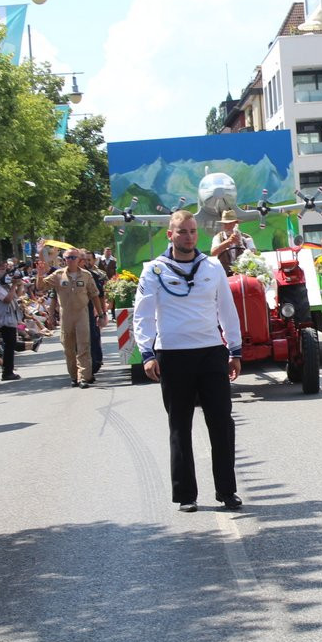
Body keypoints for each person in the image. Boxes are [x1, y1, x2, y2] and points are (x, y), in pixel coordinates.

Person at [134, 210, 244, 513]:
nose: (189, 236)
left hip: (210, 352)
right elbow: (142, 314)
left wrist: (234, 349)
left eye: (193, 231)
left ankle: (227, 491)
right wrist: (147, 353)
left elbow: (227, 309)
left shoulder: (211, 267)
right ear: (170, 234)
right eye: (182, 231)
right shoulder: (154, 271)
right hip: (173, 354)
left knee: (222, 423)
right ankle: (185, 494)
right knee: (180, 425)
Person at [36, 250, 106, 388]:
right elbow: (41, 287)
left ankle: (84, 377)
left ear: (79, 259)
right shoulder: (58, 275)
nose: (70, 260)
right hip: (66, 316)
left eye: (73, 257)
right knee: (68, 347)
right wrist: (40, 273)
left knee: (83, 346)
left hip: (82, 314)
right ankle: (74, 376)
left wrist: (101, 314)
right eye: (67, 257)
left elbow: (94, 295)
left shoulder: (86, 275)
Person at [0, 262, 22, 381]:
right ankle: (7, 372)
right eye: (1, 269)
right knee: (9, 345)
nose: (4, 271)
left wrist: (19, 284)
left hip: (10, 317)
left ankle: (9, 370)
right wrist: (13, 285)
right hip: (4, 318)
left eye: (5, 268)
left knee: (11, 344)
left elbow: (16, 295)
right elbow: (7, 299)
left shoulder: (3, 284)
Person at [210, 211, 257, 276]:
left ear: (236, 224)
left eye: (230, 223)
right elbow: (213, 252)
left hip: (244, 275)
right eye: (225, 224)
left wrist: (241, 243)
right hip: (224, 275)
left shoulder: (246, 238)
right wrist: (228, 242)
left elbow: (254, 255)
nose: (228, 226)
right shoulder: (218, 237)